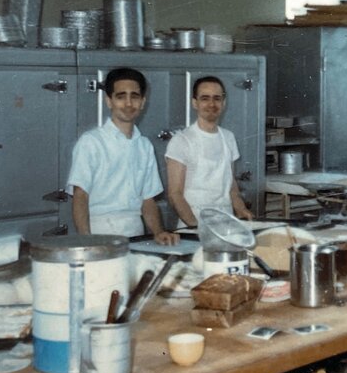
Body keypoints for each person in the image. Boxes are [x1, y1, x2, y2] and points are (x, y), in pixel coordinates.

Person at [67, 67, 178, 244]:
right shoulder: (91, 142)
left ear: (143, 102)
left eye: (134, 96)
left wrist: (158, 231)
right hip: (98, 232)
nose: (128, 104)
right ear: (109, 101)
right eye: (121, 96)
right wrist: (86, 241)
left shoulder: (144, 145)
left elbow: (147, 200)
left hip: (136, 232)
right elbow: (80, 196)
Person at [165, 76, 252, 227]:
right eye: (205, 98)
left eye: (217, 98)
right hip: (193, 222)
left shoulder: (228, 137)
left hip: (225, 221)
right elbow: (175, 195)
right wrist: (195, 227)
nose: (212, 104)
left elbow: (231, 185)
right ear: (194, 103)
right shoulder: (181, 141)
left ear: (223, 103)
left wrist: (242, 209)